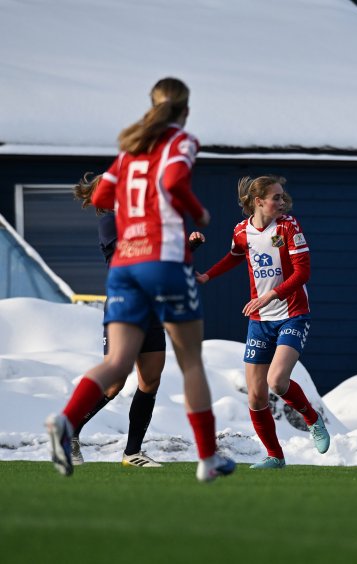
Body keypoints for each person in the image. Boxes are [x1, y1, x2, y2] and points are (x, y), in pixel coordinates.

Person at [45, 77, 235, 482]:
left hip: (126, 273)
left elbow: (99, 198)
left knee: (121, 366)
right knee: (191, 363)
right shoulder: (179, 142)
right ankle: (208, 458)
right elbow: (172, 183)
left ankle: (66, 422)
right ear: (184, 109)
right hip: (159, 265)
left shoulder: (129, 150)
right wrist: (196, 211)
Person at [70, 173, 205, 468]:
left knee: (151, 380)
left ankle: (132, 453)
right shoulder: (110, 222)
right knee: (115, 383)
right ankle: (70, 431)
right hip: (126, 308)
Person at [195, 175, 330, 469]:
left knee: (277, 382)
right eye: (276, 198)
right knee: (256, 397)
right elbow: (234, 255)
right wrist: (207, 276)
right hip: (260, 321)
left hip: (292, 314)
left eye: (283, 197)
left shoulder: (288, 226)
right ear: (258, 202)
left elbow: (302, 273)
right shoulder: (242, 231)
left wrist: (271, 296)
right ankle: (275, 456)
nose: (282, 202)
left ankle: (311, 418)